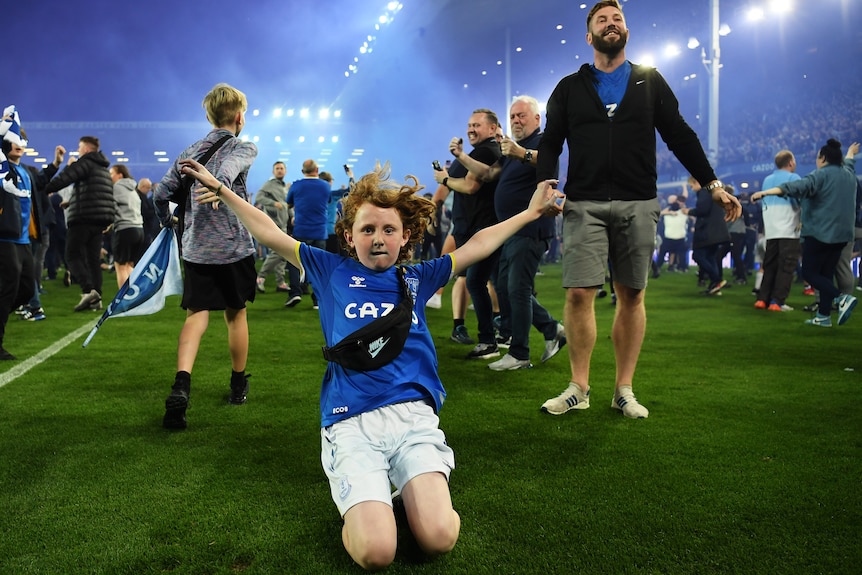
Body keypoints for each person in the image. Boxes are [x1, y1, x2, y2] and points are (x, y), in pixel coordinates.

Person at [179, 155, 564, 570]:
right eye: (367, 229)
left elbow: (479, 244)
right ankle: (374, 506)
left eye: (388, 229)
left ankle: (396, 498)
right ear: (348, 236)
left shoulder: (418, 277)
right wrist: (222, 191)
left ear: (405, 237)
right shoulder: (329, 269)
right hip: (351, 422)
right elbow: (269, 232)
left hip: (413, 419)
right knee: (376, 553)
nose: (378, 238)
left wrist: (529, 213)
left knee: (439, 538)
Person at [535, 0, 741, 418]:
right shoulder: (568, 88)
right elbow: (552, 141)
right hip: (585, 201)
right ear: (589, 35)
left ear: (626, 31)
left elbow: (680, 136)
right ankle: (579, 386)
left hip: (639, 200)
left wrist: (714, 184)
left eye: (618, 19)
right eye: (602, 20)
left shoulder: (650, 80)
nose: (612, 24)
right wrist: (544, 184)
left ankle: (623, 389)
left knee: (632, 294)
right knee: (578, 293)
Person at [153, 82, 259, 429]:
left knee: (195, 316)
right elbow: (226, 174)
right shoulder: (243, 147)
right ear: (239, 116)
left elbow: (160, 193)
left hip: (196, 248)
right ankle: (237, 384)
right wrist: (218, 189)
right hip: (232, 247)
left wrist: (166, 220)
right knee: (235, 315)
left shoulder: (190, 151)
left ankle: (181, 385)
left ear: (210, 116)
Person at [446, 95, 566, 371]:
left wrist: (518, 153)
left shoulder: (541, 142)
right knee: (507, 287)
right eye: (512, 116)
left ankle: (520, 353)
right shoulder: (513, 147)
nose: (516, 121)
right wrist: (461, 157)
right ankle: (552, 330)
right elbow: (487, 175)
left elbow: (549, 161)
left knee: (517, 288)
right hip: (509, 230)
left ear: (537, 119)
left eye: (521, 115)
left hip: (529, 227)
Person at [751, 139, 859, 327]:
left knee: (810, 271)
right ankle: (823, 316)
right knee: (826, 274)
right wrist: (850, 152)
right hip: (842, 235)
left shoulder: (820, 175)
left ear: (823, 158)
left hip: (820, 233)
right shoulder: (849, 174)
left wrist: (765, 193)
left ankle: (841, 298)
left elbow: (794, 188)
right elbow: (849, 162)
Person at [433, 109, 503, 360]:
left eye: (477, 125)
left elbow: (471, 186)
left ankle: (492, 337)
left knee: (476, 281)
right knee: (482, 280)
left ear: (493, 128)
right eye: (469, 124)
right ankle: (495, 334)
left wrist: (444, 179)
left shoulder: (486, 150)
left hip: (480, 228)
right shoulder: (487, 150)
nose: (471, 128)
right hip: (473, 227)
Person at [0, 110, 64, 358]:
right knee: (8, 287)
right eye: (14, 140)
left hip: (25, 240)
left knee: (26, 290)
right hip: (5, 239)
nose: (19, 145)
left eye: (22, 141)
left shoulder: (26, 172)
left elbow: (42, 180)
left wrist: (56, 163)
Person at [44, 136, 115, 312]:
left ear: (87, 149)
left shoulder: (86, 163)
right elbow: (99, 194)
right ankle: (96, 298)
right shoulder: (103, 168)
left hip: (83, 218)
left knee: (72, 254)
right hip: (99, 219)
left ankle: (87, 290)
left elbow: (66, 178)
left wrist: (43, 188)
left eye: (79, 147)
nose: (78, 150)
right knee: (93, 260)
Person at [754, 150, 801, 312]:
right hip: (789, 229)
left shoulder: (767, 180)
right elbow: (800, 201)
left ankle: (762, 299)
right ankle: (777, 302)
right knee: (786, 266)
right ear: (790, 163)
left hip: (771, 230)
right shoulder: (793, 178)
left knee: (770, 265)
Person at [285, 159, 331, 309]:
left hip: (301, 230)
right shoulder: (325, 186)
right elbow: (327, 202)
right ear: (317, 169)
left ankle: (295, 293)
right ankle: (317, 299)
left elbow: (289, 203)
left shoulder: (296, 185)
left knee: (295, 262)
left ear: (302, 171)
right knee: (319, 266)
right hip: (320, 231)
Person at [684, 177, 731, 296]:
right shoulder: (715, 192)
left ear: (697, 182)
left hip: (707, 231)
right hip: (718, 231)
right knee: (711, 257)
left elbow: (703, 210)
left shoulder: (704, 192)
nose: (692, 188)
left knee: (698, 256)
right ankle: (714, 287)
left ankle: (717, 280)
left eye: (691, 186)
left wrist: (689, 211)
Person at [254, 161, 290, 294]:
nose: (280, 170)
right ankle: (260, 278)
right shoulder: (269, 185)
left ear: (285, 171)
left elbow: (285, 204)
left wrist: (291, 215)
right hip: (273, 224)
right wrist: (273, 203)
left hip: (284, 224)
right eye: (277, 168)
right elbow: (259, 197)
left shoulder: (283, 187)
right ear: (273, 171)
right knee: (278, 252)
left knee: (283, 254)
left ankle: (280, 283)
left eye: (282, 168)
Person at [109, 164, 145, 289]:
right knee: (130, 265)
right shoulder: (133, 188)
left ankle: (124, 301)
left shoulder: (117, 187)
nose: (110, 177)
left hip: (125, 229)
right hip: (139, 229)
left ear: (120, 174)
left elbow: (111, 207)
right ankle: (133, 298)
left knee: (120, 266)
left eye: (112, 173)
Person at [136, 177, 159, 246]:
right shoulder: (139, 197)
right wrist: (156, 210)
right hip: (143, 229)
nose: (149, 190)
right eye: (148, 188)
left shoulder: (143, 197)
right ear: (143, 187)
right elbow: (145, 212)